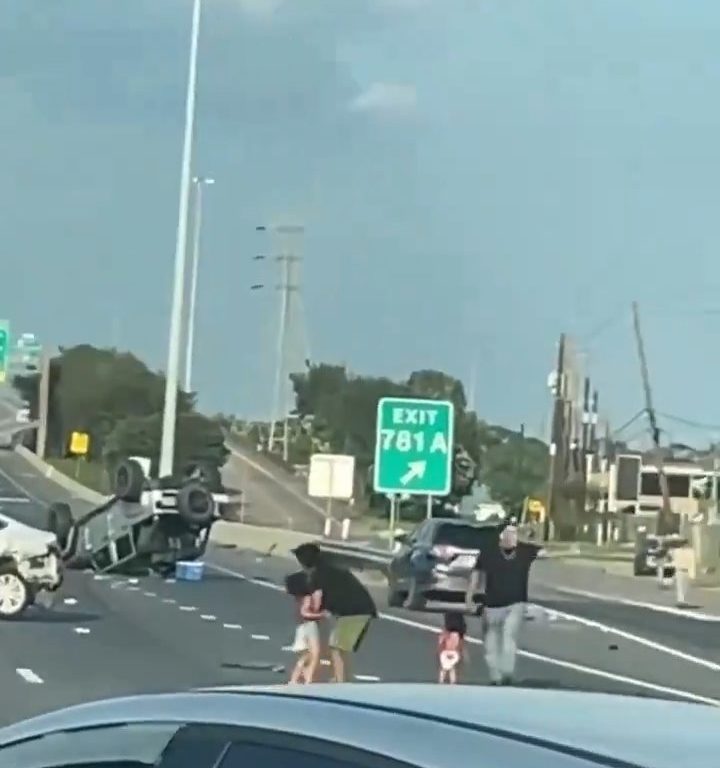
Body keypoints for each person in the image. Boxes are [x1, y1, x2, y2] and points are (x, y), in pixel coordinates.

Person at [465, 524, 540, 686]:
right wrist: (469, 597)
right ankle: (496, 677)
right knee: (491, 643)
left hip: (516, 603)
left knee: (509, 636)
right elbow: (476, 575)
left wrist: (530, 536)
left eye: (514, 533)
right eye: (508, 533)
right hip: (492, 604)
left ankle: (507, 673)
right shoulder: (488, 552)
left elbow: (547, 552)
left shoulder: (525, 551)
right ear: (501, 536)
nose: (512, 537)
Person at [292, 542, 377, 683]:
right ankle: (340, 677)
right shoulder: (330, 569)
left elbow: (317, 602)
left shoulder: (317, 576)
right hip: (359, 609)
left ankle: (340, 681)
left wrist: (311, 614)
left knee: (337, 646)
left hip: (354, 611)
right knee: (339, 645)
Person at [284, 570, 325, 684]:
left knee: (306, 655)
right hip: (310, 626)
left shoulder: (300, 598)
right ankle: (308, 678)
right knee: (314, 653)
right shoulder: (307, 597)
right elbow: (304, 612)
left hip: (303, 626)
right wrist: (320, 615)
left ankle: (295, 679)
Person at [437, 611, 467, 685]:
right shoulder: (456, 633)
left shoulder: (448, 632)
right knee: (450, 668)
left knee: (446, 668)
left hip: (454, 629)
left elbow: (442, 641)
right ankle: (451, 681)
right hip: (456, 630)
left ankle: (443, 680)